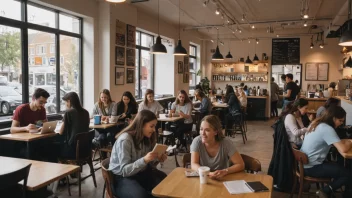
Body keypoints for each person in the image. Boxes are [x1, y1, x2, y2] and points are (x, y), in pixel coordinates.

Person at [109, 110, 167, 198]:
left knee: (165, 184)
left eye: (154, 126)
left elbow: (148, 163)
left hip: (140, 173)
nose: (154, 130)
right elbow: (125, 170)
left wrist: (157, 158)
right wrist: (144, 160)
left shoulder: (146, 137)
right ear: (141, 125)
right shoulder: (125, 140)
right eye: (151, 126)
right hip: (122, 177)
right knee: (141, 196)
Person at [300, 106, 352, 198]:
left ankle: (334, 191)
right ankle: (325, 191)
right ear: (333, 118)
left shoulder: (317, 123)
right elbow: (343, 149)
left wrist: (343, 142)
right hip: (312, 167)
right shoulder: (327, 129)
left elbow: (334, 142)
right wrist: (350, 142)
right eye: (340, 121)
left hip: (305, 163)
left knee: (341, 168)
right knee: (347, 174)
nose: (341, 123)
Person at [190, 115, 244, 179]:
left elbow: (240, 164)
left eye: (207, 130)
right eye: (201, 129)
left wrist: (225, 171)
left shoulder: (226, 143)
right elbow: (194, 164)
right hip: (203, 178)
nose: (203, 133)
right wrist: (208, 173)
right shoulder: (197, 141)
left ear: (215, 132)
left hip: (222, 179)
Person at [58, 92, 90, 159]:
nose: (66, 105)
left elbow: (61, 132)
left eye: (65, 102)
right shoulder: (86, 112)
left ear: (69, 101)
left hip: (72, 149)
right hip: (85, 148)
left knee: (53, 148)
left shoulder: (68, 112)